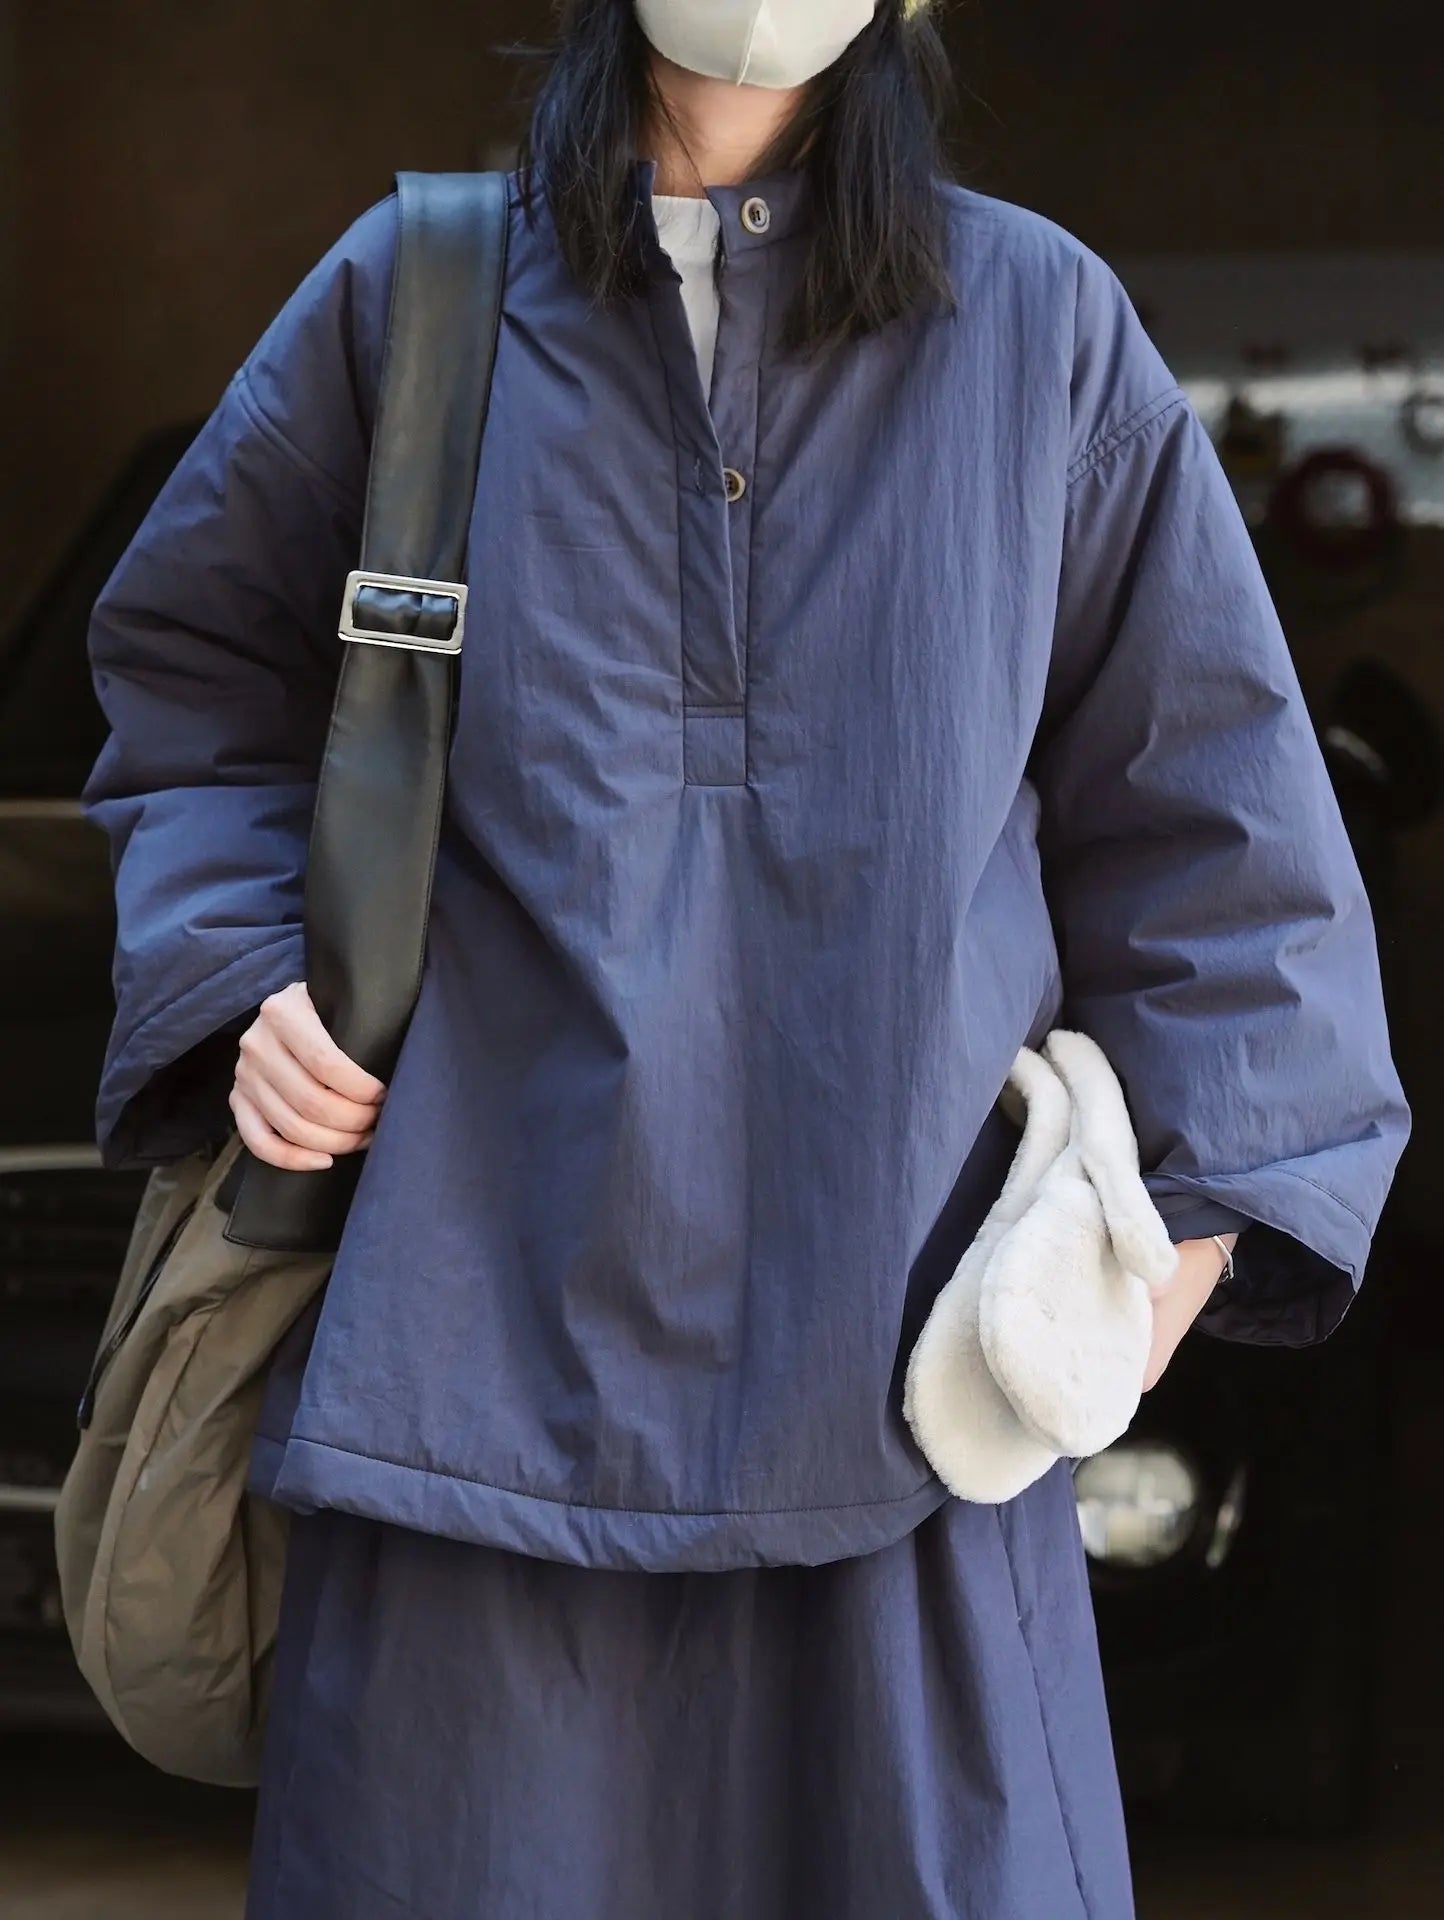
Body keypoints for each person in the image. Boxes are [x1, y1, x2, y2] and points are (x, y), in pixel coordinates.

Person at [79, 3, 1409, 1916]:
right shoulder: (415, 297)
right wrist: (238, 973)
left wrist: (1150, 1275)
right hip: (470, 1376)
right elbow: (196, 681)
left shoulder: (1040, 324)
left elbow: (1225, 836)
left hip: (913, 1401)